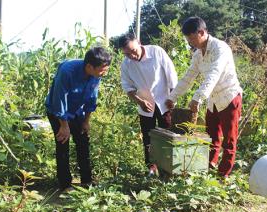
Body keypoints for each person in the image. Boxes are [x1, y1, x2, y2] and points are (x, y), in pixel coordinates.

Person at [166, 17, 242, 178]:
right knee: (211, 136)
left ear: (202, 32)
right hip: (213, 100)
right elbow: (188, 77)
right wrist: (172, 97)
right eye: (188, 40)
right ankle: (208, 167)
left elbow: (213, 75)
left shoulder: (220, 48)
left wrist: (197, 98)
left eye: (192, 39)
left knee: (229, 140)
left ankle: (223, 176)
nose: (191, 43)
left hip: (229, 97)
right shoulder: (198, 55)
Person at [45, 47, 112, 190]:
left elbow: (91, 98)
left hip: (77, 111)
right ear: (89, 66)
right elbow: (59, 99)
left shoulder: (96, 75)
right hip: (57, 111)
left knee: (83, 141)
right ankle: (65, 184)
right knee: (63, 143)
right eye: (102, 70)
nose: (104, 73)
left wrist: (86, 121)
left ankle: (86, 181)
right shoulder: (67, 71)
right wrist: (64, 125)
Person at [119, 33, 178, 173]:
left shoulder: (156, 52)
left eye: (133, 51)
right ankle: (151, 168)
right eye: (127, 54)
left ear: (139, 42)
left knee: (168, 135)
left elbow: (171, 75)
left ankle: (169, 168)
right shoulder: (126, 64)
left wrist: (173, 97)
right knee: (148, 137)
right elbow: (127, 87)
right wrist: (140, 101)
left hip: (165, 102)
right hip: (144, 105)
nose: (132, 56)